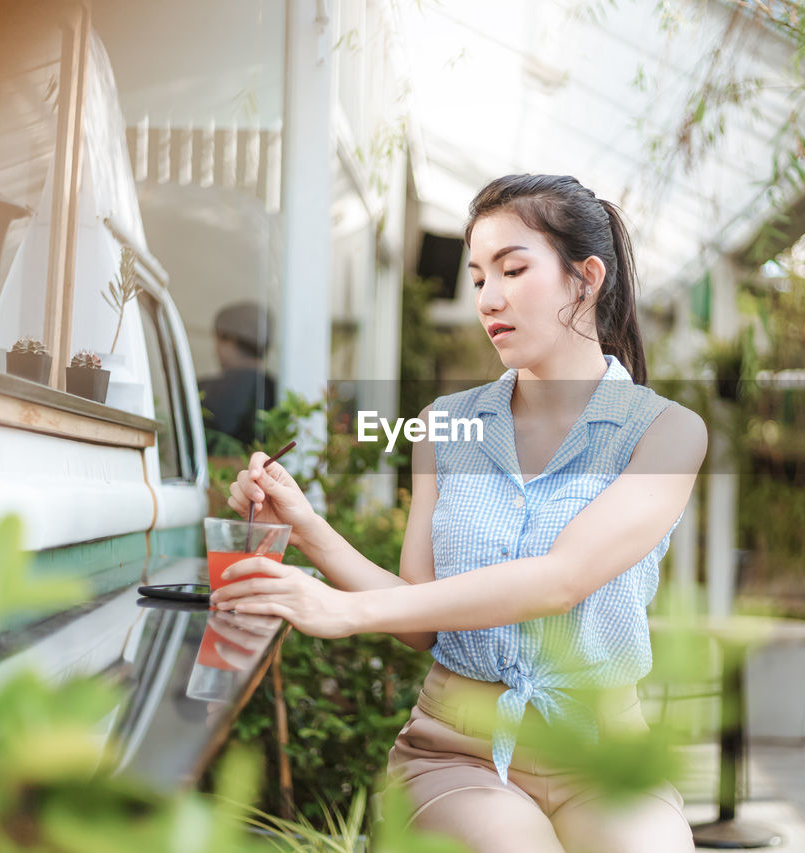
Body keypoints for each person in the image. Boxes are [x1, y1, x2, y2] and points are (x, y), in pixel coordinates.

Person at [212, 174, 706, 853]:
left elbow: (560, 578)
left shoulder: (666, 433)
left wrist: (344, 610)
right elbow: (423, 615)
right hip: (459, 754)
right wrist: (303, 525)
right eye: (477, 277)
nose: (488, 299)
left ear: (584, 279)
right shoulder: (444, 426)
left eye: (512, 269)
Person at [198, 301, 277, 451]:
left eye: (217, 340)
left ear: (231, 339)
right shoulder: (277, 390)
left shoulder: (205, 392)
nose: (215, 351)